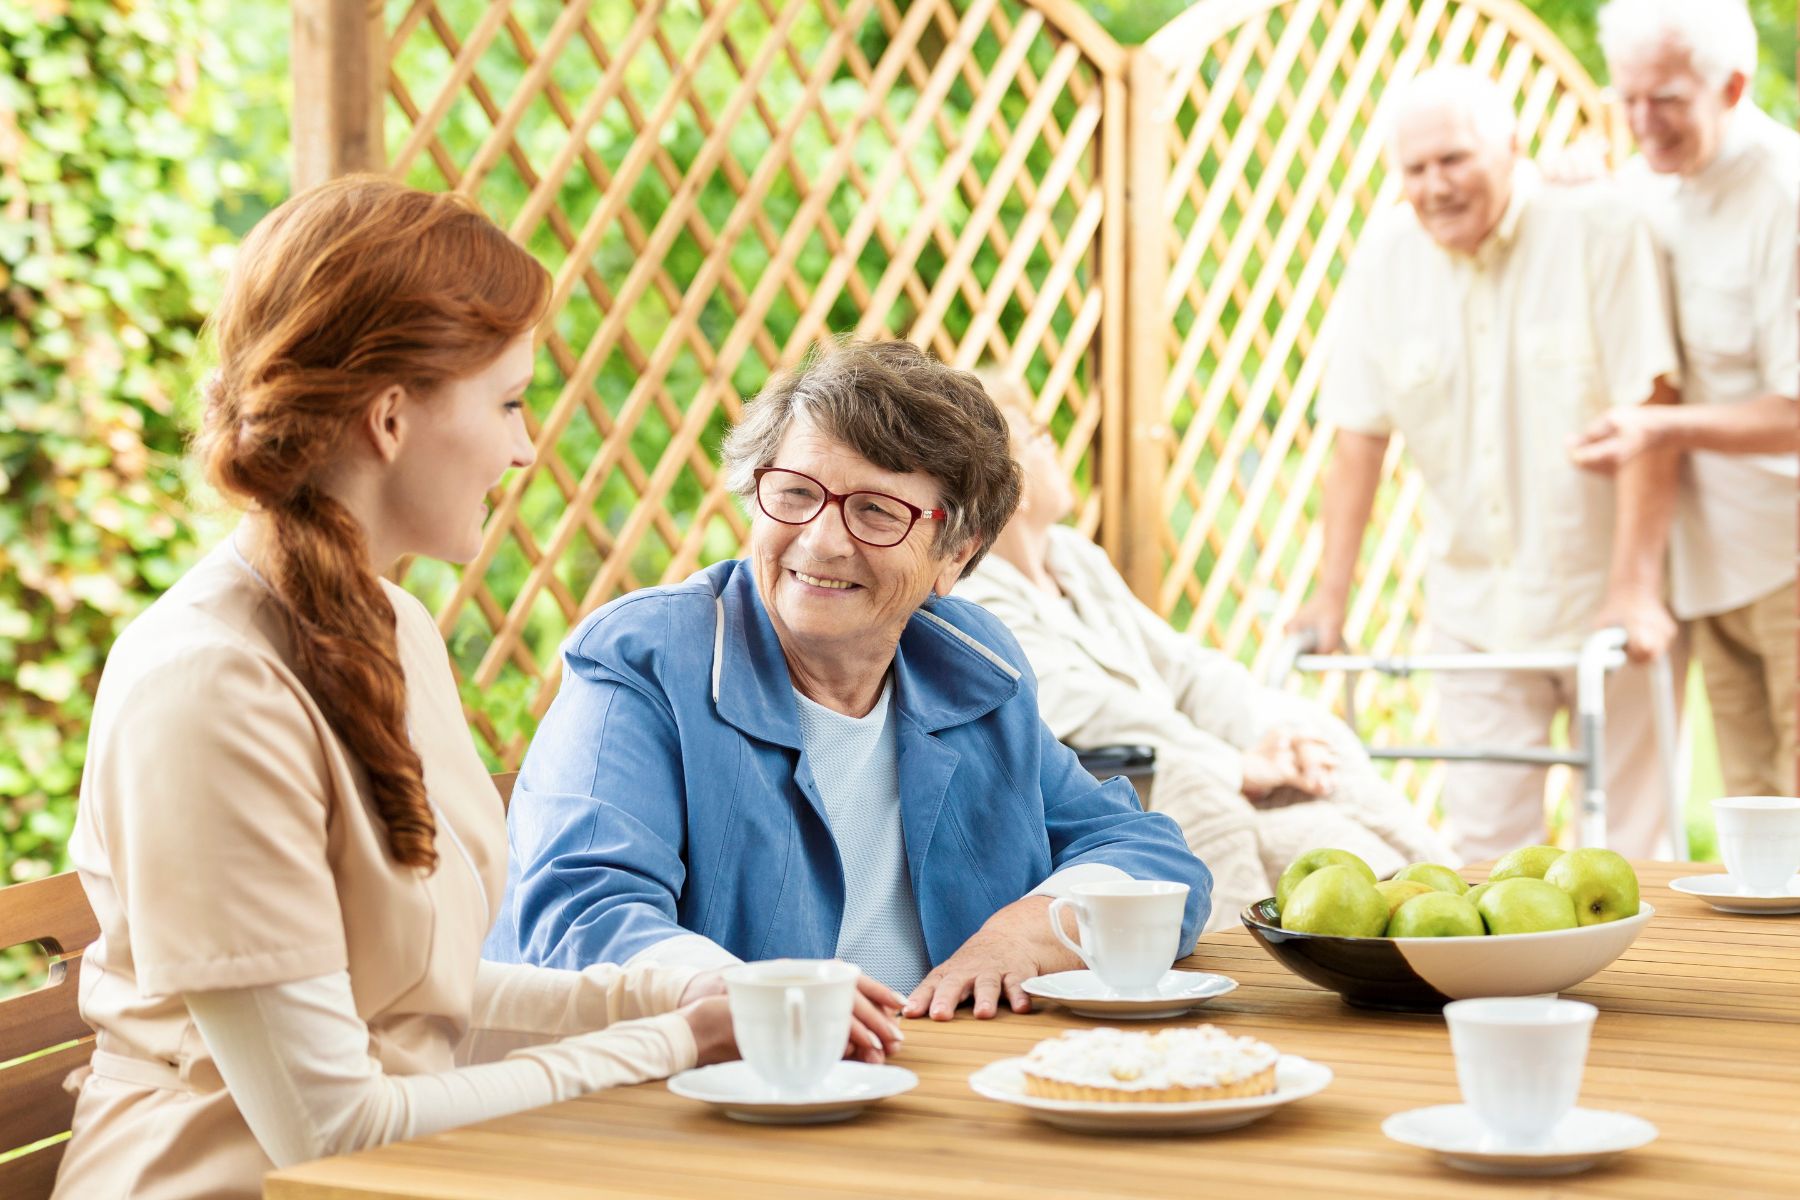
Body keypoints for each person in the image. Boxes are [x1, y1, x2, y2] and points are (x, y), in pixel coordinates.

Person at [54, 177, 741, 1199]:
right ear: (388, 418)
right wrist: (670, 1042)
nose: (524, 446)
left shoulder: (390, 627)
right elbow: (331, 1124)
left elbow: (404, 992)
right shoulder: (207, 687)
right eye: (509, 401)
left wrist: (670, 990)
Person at [485, 340, 1211, 1028]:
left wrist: (1024, 936)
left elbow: (1150, 858)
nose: (822, 540)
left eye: (876, 511)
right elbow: (582, 915)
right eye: (795, 493)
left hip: (945, 1092)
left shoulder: (967, 667)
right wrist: (767, 1004)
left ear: (955, 553)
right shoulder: (647, 661)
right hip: (705, 1104)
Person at [1290, 67, 1684, 861]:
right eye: (1415, 168)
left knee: (1637, 845)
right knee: (1486, 853)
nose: (1434, 186)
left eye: (1454, 160)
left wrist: (1635, 588)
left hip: (1603, 597)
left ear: (1512, 147)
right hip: (1474, 610)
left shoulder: (1601, 228)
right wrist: (1329, 599)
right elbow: (1358, 438)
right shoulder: (1385, 263)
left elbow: (1654, 409)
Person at [959, 373, 1457, 928]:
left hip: (1203, 767)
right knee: (1325, 848)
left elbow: (1187, 669)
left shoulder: (1074, 558)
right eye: (1039, 436)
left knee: (1323, 749)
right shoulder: (976, 595)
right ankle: (1302, 960)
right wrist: (1236, 765)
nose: (1055, 447)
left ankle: (1455, 895)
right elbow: (1089, 709)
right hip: (1131, 795)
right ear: (1012, 479)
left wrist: (1271, 736)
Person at [1569, 0, 1797, 796]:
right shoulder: (1649, 185)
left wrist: (1653, 427)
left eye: (1664, 100)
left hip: (1789, 559)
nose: (1641, 121)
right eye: (1626, 98)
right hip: (1711, 568)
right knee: (1756, 819)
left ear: (1732, 86)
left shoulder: (1785, 196)